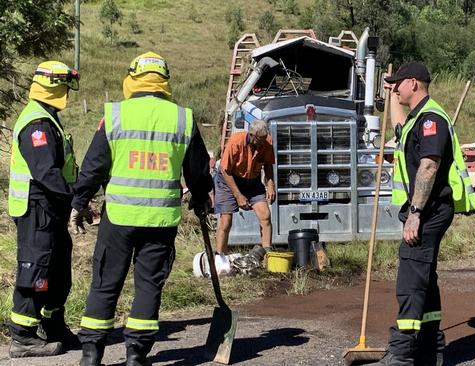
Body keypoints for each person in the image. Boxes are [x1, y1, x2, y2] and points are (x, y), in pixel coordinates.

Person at [71, 51, 213, 366]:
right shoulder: (183, 118)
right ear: (164, 82)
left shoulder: (116, 115)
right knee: (149, 284)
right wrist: (201, 198)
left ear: (133, 78)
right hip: (161, 220)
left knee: (106, 282)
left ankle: (91, 353)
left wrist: (80, 201)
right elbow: (199, 171)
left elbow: (94, 166)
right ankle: (136, 354)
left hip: (119, 218)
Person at [373, 62, 475, 366]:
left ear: (414, 83)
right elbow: (399, 128)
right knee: (425, 278)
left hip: (429, 210)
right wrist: (391, 96)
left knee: (410, 278)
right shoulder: (418, 118)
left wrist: (415, 213)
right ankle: (431, 348)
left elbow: (429, 166)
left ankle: (403, 353)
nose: (396, 87)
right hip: (429, 208)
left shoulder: (432, 119)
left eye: (399, 84)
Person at [6, 61, 81, 358]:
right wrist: (77, 196)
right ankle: (23, 337)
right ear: (55, 85)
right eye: (66, 83)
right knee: (35, 268)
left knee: (58, 269)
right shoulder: (37, 123)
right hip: (37, 208)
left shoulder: (47, 118)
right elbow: (46, 172)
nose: (69, 91)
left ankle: (53, 325)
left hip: (50, 210)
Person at [213, 119, 275, 255]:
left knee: (265, 215)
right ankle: (220, 258)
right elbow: (225, 170)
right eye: (260, 139)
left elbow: (268, 165)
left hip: (252, 181)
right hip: (228, 180)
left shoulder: (267, 142)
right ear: (252, 135)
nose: (263, 142)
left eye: (265, 138)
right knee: (226, 220)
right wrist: (238, 195)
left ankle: (267, 256)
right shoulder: (236, 142)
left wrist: (270, 185)